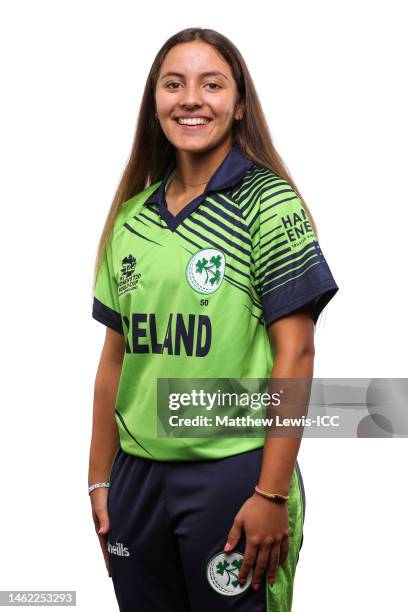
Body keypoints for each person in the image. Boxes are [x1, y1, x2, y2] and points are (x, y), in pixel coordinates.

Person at [88, 27, 339, 612]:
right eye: (174, 84)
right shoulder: (132, 217)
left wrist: (271, 493)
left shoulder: (267, 202)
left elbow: (295, 354)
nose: (191, 99)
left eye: (212, 84)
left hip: (235, 473)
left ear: (239, 102)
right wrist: (100, 480)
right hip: (137, 479)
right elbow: (114, 362)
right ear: (155, 102)